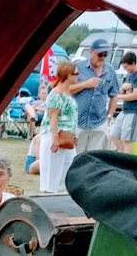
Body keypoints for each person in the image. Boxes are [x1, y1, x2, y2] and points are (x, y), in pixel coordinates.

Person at [72, 36, 119, 153]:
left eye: (105, 55)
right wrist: (85, 84)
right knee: (76, 156)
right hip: (78, 121)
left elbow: (114, 95)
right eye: (100, 54)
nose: (102, 57)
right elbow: (67, 90)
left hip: (99, 122)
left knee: (95, 157)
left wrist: (109, 116)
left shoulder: (110, 71)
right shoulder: (78, 68)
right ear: (91, 52)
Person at [38, 59, 79, 191]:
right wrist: (55, 138)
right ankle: (49, 193)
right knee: (52, 171)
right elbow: (53, 117)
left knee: (69, 166)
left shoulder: (67, 93)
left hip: (67, 136)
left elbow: (70, 117)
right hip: (55, 135)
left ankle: (61, 194)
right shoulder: (55, 94)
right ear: (68, 76)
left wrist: (73, 135)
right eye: (76, 74)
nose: (78, 76)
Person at [113, 52, 137, 153]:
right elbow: (123, 91)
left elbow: (135, 96)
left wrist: (118, 97)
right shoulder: (129, 75)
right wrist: (122, 88)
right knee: (114, 134)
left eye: (126, 67)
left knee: (128, 140)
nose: (125, 69)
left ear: (133, 63)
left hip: (135, 111)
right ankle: (124, 155)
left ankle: (128, 161)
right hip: (125, 110)